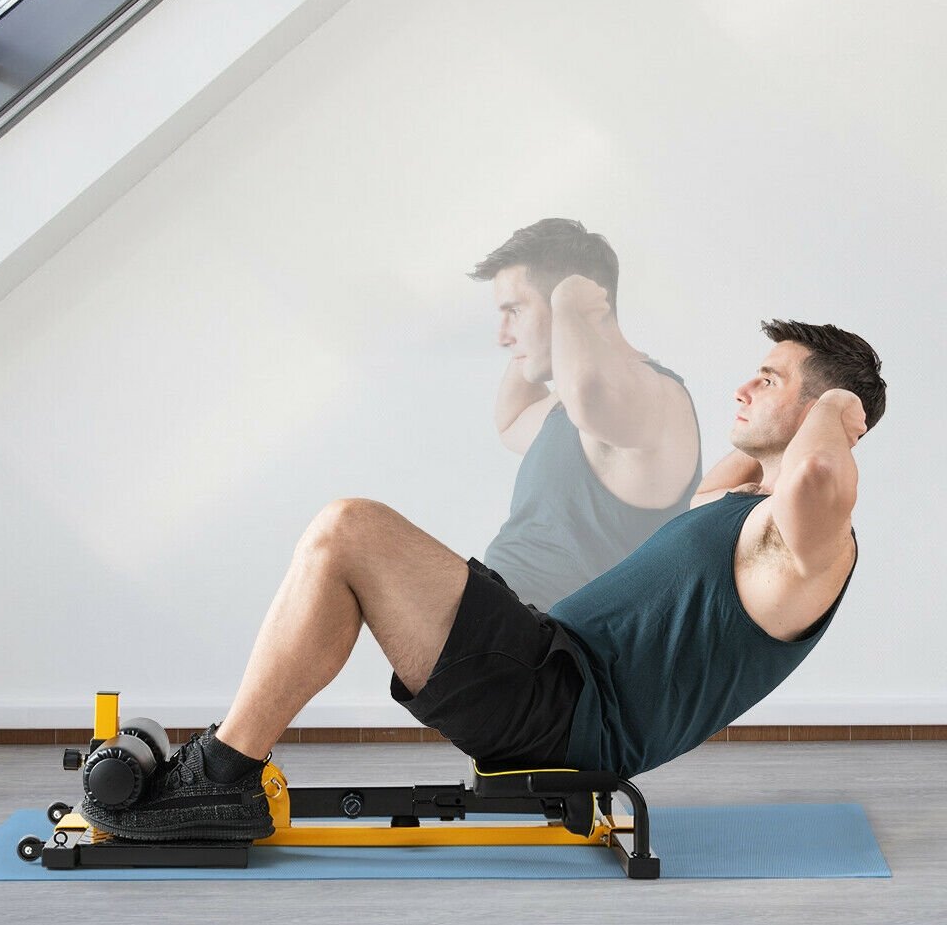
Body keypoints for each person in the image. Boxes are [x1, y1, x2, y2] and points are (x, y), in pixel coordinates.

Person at [81, 319, 885, 842]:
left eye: (769, 378)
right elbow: (767, 459)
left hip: (563, 710)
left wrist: (846, 399)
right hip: (547, 666)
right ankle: (222, 770)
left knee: (349, 528)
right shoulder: (741, 506)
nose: (743, 387)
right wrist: (790, 403)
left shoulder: (805, 543)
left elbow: (815, 470)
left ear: (831, 412)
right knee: (342, 546)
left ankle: (220, 777)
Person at [470, 219, 702, 609]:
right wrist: (535, 341)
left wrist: (566, 309)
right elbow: (510, 421)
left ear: (576, 297)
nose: (502, 336)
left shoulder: (654, 397)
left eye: (515, 311)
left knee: (361, 528)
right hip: (498, 615)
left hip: (547, 637)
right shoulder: (566, 404)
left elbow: (587, 397)